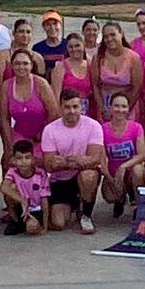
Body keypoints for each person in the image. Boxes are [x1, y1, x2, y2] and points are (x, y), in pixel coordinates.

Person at [39, 87, 104, 234]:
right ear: (60, 107)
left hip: (83, 175)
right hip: (60, 180)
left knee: (88, 175)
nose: (72, 111)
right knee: (58, 224)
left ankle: (86, 215)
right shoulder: (50, 130)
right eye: (67, 107)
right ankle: (74, 206)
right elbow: (49, 164)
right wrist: (77, 161)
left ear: (81, 106)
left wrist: (64, 162)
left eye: (75, 106)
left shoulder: (93, 126)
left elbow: (95, 159)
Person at [0, 48, 58, 155]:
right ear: (12, 65)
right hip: (19, 135)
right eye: (17, 64)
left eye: (25, 63)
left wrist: (42, 133)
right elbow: (5, 118)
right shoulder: (6, 86)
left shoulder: (41, 84)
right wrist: (9, 144)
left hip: (41, 135)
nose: (21, 67)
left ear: (31, 65)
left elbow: (53, 113)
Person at [100, 91, 145, 215]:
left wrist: (124, 166)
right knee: (109, 197)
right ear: (110, 108)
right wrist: (108, 176)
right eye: (116, 106)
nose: (120, 110)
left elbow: (142, 154)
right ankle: (120, 198)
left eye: (123, 106)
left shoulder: (136, 127)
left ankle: (139, 206)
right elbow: (101, 156)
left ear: (128, 109)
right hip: (113, 173)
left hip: (130, 171)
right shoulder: (102, 129)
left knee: (139, 170)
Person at [92, 21, 143, 124]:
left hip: (128, 108)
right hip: (105, 109)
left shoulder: (133, 58)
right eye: (106, 36)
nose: (109, 39)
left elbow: (137, 88)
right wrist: (103, 109)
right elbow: (95, 85)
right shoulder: (98, 58)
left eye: (113, 35)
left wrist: (125, 109)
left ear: (121, 34)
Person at [0, 140, 52, 236]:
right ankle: (15, 221)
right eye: (19, 158)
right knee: (11, 187)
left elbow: (44, 200)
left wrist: (45, 226)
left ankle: (27, 224)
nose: (23, 162)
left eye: (27, 157)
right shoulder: (12, 171)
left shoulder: (40, 174)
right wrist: (22, 201)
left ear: (33, 159)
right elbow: (3, 187)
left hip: (35, 208)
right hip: (21, 206)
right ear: (14, 160)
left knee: (31, 227)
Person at [50, 31, 96, 118]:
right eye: (70, 47)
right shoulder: (60, 67)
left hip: (87, 111)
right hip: (67, 111)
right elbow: (56, 96)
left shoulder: (90, 65)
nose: (74, 49)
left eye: (77, 46)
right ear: (67, 48)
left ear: (83, 45)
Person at [0, 16, 35, 84]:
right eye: (21, 31)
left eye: (28, 32)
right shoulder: (3, 56)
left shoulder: (37, 58)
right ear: (14, 33)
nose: (25, 35)